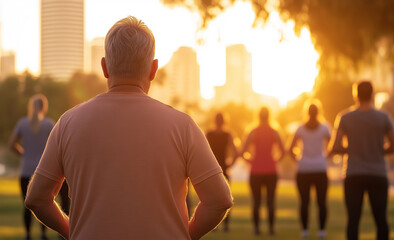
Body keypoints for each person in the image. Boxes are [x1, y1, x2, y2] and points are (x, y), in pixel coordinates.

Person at [24, 16, 232, 240]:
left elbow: (37, 198)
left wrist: (73, 232)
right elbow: (219, 200)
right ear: (153, 69)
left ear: (104, 67)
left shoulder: (68, 123)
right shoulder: (183, 126)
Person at [329, 81, 394, 240]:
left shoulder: (345, 117)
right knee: (381, 219)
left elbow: (335, 146)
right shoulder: (383, 117)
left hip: (353, 174)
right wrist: (378, 149)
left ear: (355, 95)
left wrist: (353, 148)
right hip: (378, 174)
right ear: (373, 94)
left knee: (353, 220)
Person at [8, 94, 54, 240]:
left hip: (25, 170)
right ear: (43, 107)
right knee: (45, 203)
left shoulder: (22, 123)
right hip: (43, 171)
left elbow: (11, 145)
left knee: (26, 205)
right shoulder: (48, 124)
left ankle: (27, 235)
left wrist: (24, 155)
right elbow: (55, 147)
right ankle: (43, 234)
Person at [289, 99, 331, 239]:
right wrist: (325, 157)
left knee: (304, 202)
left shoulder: (300, 128)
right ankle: (321, 231)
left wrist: (299, 159)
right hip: (320, 169)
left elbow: (291, 149)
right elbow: (332, 146)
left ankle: (305, 231)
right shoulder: (324, 128)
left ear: (306, 112)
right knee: (321, 202)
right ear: (318, 112)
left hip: (303, 170)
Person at [240, 107, 286, 235]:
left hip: (256, 172)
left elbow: (243, 152)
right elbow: (283, 150)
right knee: (271, 201)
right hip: (271, 171)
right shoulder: (274, 131)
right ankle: (271, 229)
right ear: (269, 116)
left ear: (259, 116)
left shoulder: (253, 131)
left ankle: (256, 229)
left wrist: (252, 161)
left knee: (256, 202)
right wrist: (274, 160)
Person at [206, 112, 238, 232]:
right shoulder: (228, 135)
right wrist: (230, 165)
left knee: (211, 199)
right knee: (226, 199)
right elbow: (236, 152)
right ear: (224, 121)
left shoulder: (209, 134)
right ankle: (226, 225)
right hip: (224, 169)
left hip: (211, 170)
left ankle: (212, 226)